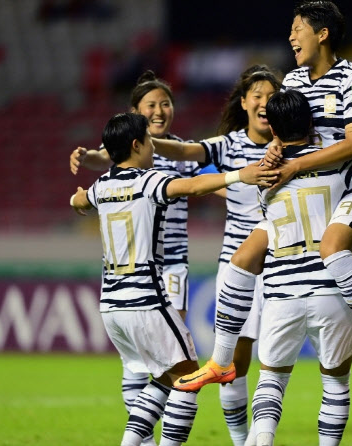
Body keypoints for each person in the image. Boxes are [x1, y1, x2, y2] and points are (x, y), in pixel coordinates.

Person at [174, 0, 352, 394]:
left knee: (333, 247)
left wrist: (294, 166)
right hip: (305, 188)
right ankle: (221, 363)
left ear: (322, 33)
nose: (291, 36)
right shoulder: (292, 81)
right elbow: (286, 129)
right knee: (242, 260)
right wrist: (275, 149)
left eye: (298, 29)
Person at [69, 113, 278, 446]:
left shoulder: (102, 185)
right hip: (147, 301)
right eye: (149, 141)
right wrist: (242, 174)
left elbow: (81, 200)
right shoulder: (148, 180)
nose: (154, 147)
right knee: (190, 377)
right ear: (137, 145)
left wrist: (74, 199)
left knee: (165, 378)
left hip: (110, 305)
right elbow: (193, 186)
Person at [250, 89, 352, 446]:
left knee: (271, 380)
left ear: (272, 128)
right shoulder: (342, 164)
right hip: (334, 290)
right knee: (335, 382)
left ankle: (261, 441)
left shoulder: (265, 173)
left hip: (280, 292)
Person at [146, 64, 282, 446]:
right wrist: (147, 139)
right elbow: (189, 150)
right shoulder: (228, 145)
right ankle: (243, 440)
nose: (264, 103)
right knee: (235, 365)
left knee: (274, 357)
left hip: (284, 266)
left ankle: (262, 435)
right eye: (257, 95)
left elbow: (338, 143)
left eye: (272, 97)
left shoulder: (293, 144)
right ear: (243, 102)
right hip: (238, 268)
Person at [68, 70, 200, 446]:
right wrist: (89, 156)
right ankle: (144, 437)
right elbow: (103, 160)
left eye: (165, 103)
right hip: (145, 273)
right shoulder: (131, 154)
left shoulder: (183, 150)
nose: (160, 110)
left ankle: (140, 435)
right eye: (151, 105)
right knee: (164, 364)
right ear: (136, 113)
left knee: (167, 359)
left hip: (172, 262)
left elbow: (207, 177)